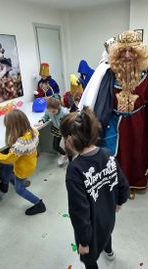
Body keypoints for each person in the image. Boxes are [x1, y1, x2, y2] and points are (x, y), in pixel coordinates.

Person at [79, 30, 148, 194]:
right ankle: (116, 185)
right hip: (113, 122)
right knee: (115, 155)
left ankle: (135, 183)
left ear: (139, 52)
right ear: (116, 52)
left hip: (140, 122)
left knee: (138, 154)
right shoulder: (106, 71)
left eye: (132, 51)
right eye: (123, 51)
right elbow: (92, 97)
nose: (128, 56)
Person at [60, 107, 129, 269]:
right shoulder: (107, 154)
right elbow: (123, 183)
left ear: (70, 140)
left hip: (91, 229)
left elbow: (79, 211)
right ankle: (109, 252)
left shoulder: (75, 170)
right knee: (107, 234)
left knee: (89, 258)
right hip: (109, 216)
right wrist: (119, 201)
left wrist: (83, 242)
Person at [0, 109, 46, 216]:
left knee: (19, 190)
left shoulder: (20, 144)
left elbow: (8, 159)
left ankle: (39, 204)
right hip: (30, 163)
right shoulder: (33, 132)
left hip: (22, 169)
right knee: (10, 171)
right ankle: (9, 183)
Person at [36, 97, 71, 165]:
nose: (52, 113)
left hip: (66, 129)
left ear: (58, 107)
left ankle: (71, 161)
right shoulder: (49, 111)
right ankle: (65, 155)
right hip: (56, 129)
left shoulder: (64, 112)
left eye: (54, 111)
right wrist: (42, 121)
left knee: (68, 146)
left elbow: (70, 121)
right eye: (50, 111)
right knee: (55, 146)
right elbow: (46, 116)